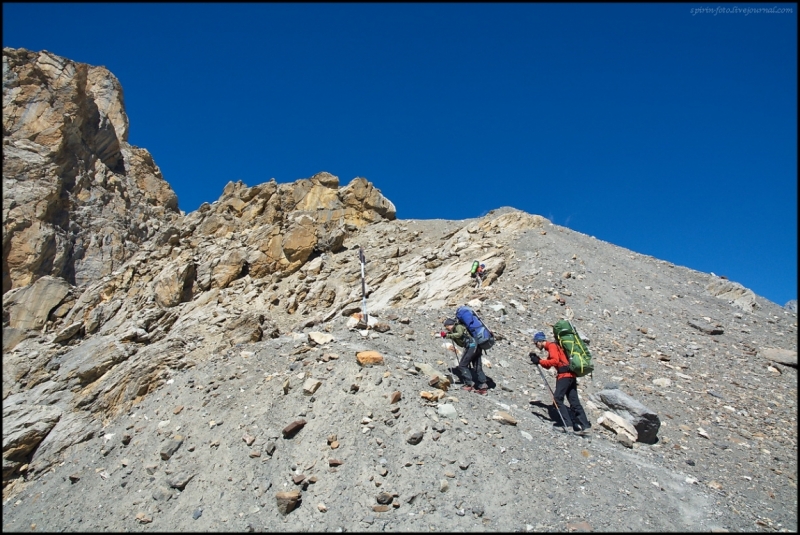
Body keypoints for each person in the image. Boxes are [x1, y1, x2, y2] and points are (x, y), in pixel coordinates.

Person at [530, 331, 591, 434]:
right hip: (571, 375)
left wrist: (539, 361)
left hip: (564, 376)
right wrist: (538, 359)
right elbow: (548, 365)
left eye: (536, 343)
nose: (536, 346)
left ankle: (568, 425)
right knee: (574, 401)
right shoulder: (554, 346)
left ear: (540, 341)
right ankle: (585, 425)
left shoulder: (552, 346)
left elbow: (555, 361)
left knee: (558, 399)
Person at [441, 318, 488, 395]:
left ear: (450, 325)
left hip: (471, 346)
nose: (447, 329)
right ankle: (483, 387)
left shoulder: (458, 326)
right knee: (477, 367)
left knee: (462, 365)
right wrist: (448, 335)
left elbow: (459, 334)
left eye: (447, 327)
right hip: (477, 347)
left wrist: (447, 335)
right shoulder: (457, 328)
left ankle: (469, 384)